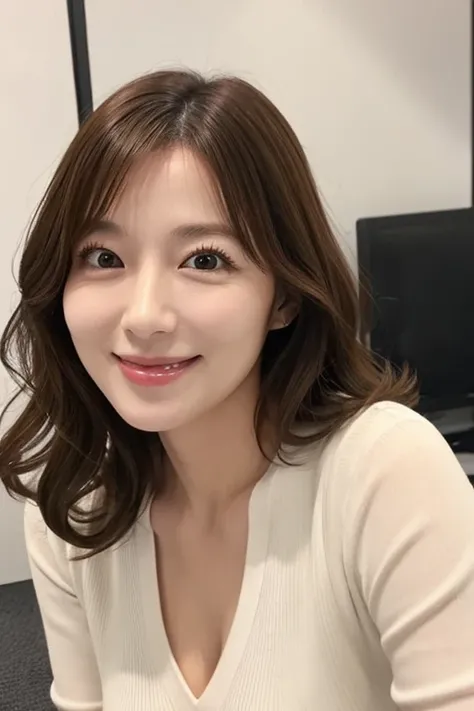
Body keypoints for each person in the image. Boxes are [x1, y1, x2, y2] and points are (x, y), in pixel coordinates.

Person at [1, 69, 473, 711]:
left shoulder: (384, 475)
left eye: (204, 259)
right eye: (104, 257)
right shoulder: (74, 508)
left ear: (283, 297)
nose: (144, 316)